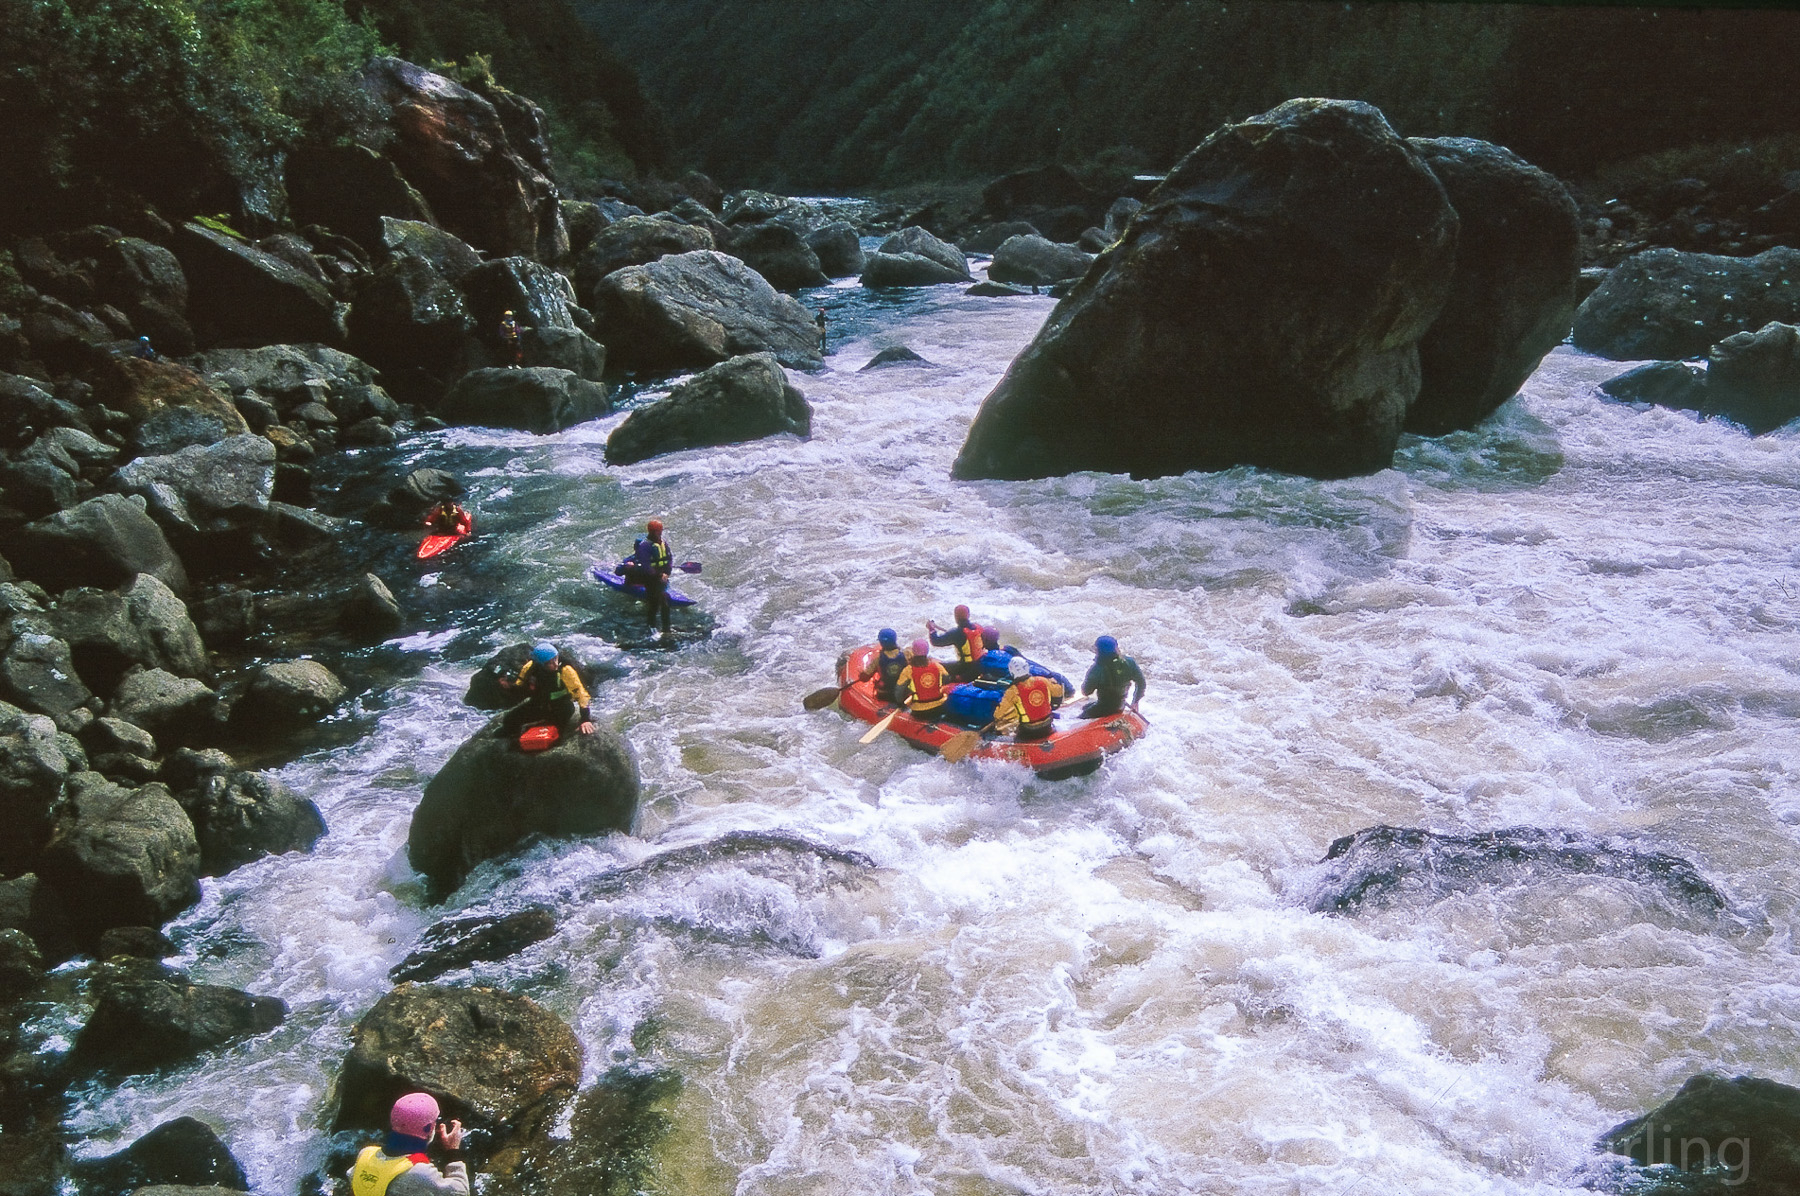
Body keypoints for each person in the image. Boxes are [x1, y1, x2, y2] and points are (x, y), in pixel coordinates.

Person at [349, 1092, 469, 1196]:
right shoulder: (420, 1172)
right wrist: (453, 1151)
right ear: (428, 1128)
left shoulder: (365, 1154)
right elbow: (461, 1192)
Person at [498, 642, 595, 739]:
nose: (555, 664)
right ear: (541, 664)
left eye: (555, 658)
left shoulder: (565, 669)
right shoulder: (530, 668)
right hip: (539, 705)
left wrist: (585, 719)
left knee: (552, 730)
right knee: (509, 720)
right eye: (549, 663)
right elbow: (520, 688)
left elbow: (580, 693)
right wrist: (508, 687)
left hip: (561, 707)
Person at [621, 519, 673, 637]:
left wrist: (666, 573)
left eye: (661, 530)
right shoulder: (645, 546)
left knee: (664, 602)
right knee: (656, 603)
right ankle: (652, 628)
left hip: (661, 578)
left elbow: (669, 560)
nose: (661, 533)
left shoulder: (663, 543)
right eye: (659, 531)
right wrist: (659, 575)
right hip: (650, 578)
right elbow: (646, 566)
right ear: (653, 531)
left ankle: (666, 629)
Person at [993, 655, 1064, 741]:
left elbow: (999, 714)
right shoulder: (1043, 680)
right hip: (1047, 724)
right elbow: (1059, 694)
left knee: (1000, 732)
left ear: (1011, 672)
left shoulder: (1012, 691)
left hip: (1028, 730)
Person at [1080, 635, 1145, 718]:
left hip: (1104, 708)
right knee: (1085, 707)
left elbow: (1086, 692)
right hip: (1120, 705)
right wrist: (1135, 701)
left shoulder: (1097, 669)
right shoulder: (1129, 662)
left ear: (1099, 651)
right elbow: (1141, 683)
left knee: (1078, 717)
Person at [927, 605, 990, 682]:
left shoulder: (957, 632)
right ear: (968, 615)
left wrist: (931, 630)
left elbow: (935, 641)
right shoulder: (978, 627)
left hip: (965, 668)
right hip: (980, 664)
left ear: (955, 617)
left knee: (935, 665)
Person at [895, 638, 950, 724]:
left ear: (913, 652)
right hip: (940, 707)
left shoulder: (908, 670)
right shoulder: (937, 666)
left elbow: (899, 690)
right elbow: (947, 678)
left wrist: (900, 704)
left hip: (920, 712)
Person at [858, 628, 908, 701]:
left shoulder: (877, 658)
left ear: (881, 643)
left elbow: (865, 677)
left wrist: (861, 675)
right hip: (903, 692)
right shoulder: (906, 654)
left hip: (885, 693)